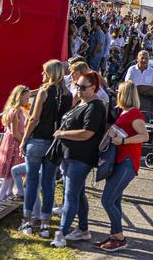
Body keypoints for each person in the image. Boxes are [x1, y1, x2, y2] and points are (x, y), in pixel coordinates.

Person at [51, 71, 108, 248]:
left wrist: (62, 133)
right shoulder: (81, 103)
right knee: (78, 194)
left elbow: (87, 133)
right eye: (77, 86)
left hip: (81, 158)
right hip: (69, 156)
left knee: (70, 195)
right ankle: (83, 229)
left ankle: (61, 233)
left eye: (83, 87)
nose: (79, 89)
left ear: (93, 88)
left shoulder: (96, 106)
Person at [14, 59, 71, 238]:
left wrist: (23, 140)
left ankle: (27, 222)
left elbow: (33, 119)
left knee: (31, 181)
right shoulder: (68, 94)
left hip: (38, 140)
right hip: (54, 143)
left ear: (51, 74)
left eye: (44, 72)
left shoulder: (44, 92)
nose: (42, 75)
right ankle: (45, 225)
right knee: (49, 183)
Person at [98, 80, 151, 252]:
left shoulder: (134, 114)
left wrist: (123, 140)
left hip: (127, 162)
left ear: (125, 94)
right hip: (120, 161)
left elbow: (145, 136)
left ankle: (120, 237)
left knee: (107, 200)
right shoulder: (125, 112)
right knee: (115, 200)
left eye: (118, 92)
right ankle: (114, 235)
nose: (116, 95)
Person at [0, 84, 30, 203]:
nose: (28, 101)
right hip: (14, 143)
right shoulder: (15, 112)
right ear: (19, 97)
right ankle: (1, 196)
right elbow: (15, 133)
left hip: (14, 142)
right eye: (26, 98)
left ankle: (9, 192)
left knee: (14, 169)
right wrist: (23, 142)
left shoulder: (20, 110)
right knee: (10, 171)